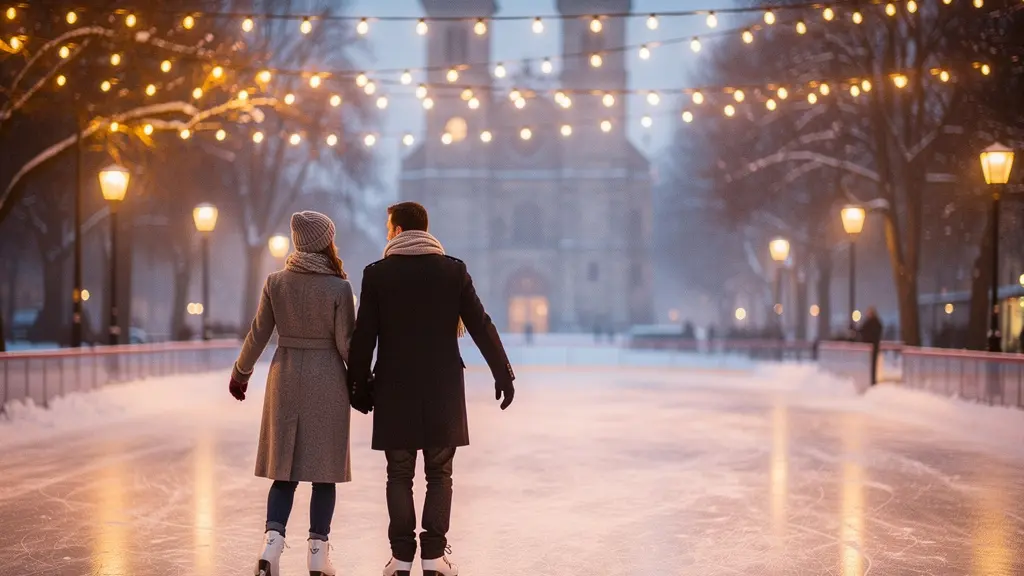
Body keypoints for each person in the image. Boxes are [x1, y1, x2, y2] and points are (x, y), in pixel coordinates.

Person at [347, 202, 515, 576]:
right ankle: (434, 557)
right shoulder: (452, 271)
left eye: (389, 226)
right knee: (440, 474)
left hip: (394, 387)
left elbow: (364, 336)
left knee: (399, 474)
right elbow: (480, 324)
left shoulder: (378, 275)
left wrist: (357, 384)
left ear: (398, 229)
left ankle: (401, 557)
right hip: (442, 389)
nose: (387, 232)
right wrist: (502, 372)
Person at [229, 211, 356, 576]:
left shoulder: (276, 283)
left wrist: (241, 372)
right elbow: (347, 344)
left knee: (283, 471)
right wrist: (364, 382)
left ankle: (271, 546)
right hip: (327, 380)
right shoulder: (339, 288)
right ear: (325, 241)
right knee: (324, 472)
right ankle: (318, 553)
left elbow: (258, 333)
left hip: (284, 378)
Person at [857, 306, 883, 385]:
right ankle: (872, 379)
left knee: (870, 364)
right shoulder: (877, 323)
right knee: (872, 364)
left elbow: (864, 331)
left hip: (871, 347)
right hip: (873, 347)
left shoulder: (871, 323)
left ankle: (871, 380)